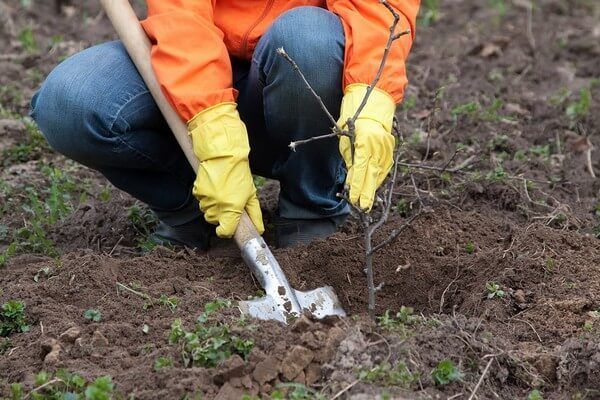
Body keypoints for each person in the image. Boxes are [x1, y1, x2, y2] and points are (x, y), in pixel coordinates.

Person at [31, 1, 420, 250]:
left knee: (308, 41)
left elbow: (377, 8)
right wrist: (211, 124)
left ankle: (311, 210)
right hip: (195, 62)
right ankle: (194, 211)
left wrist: (371, 89)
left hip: (298, 77)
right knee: (72, 100)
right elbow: (183, 19)